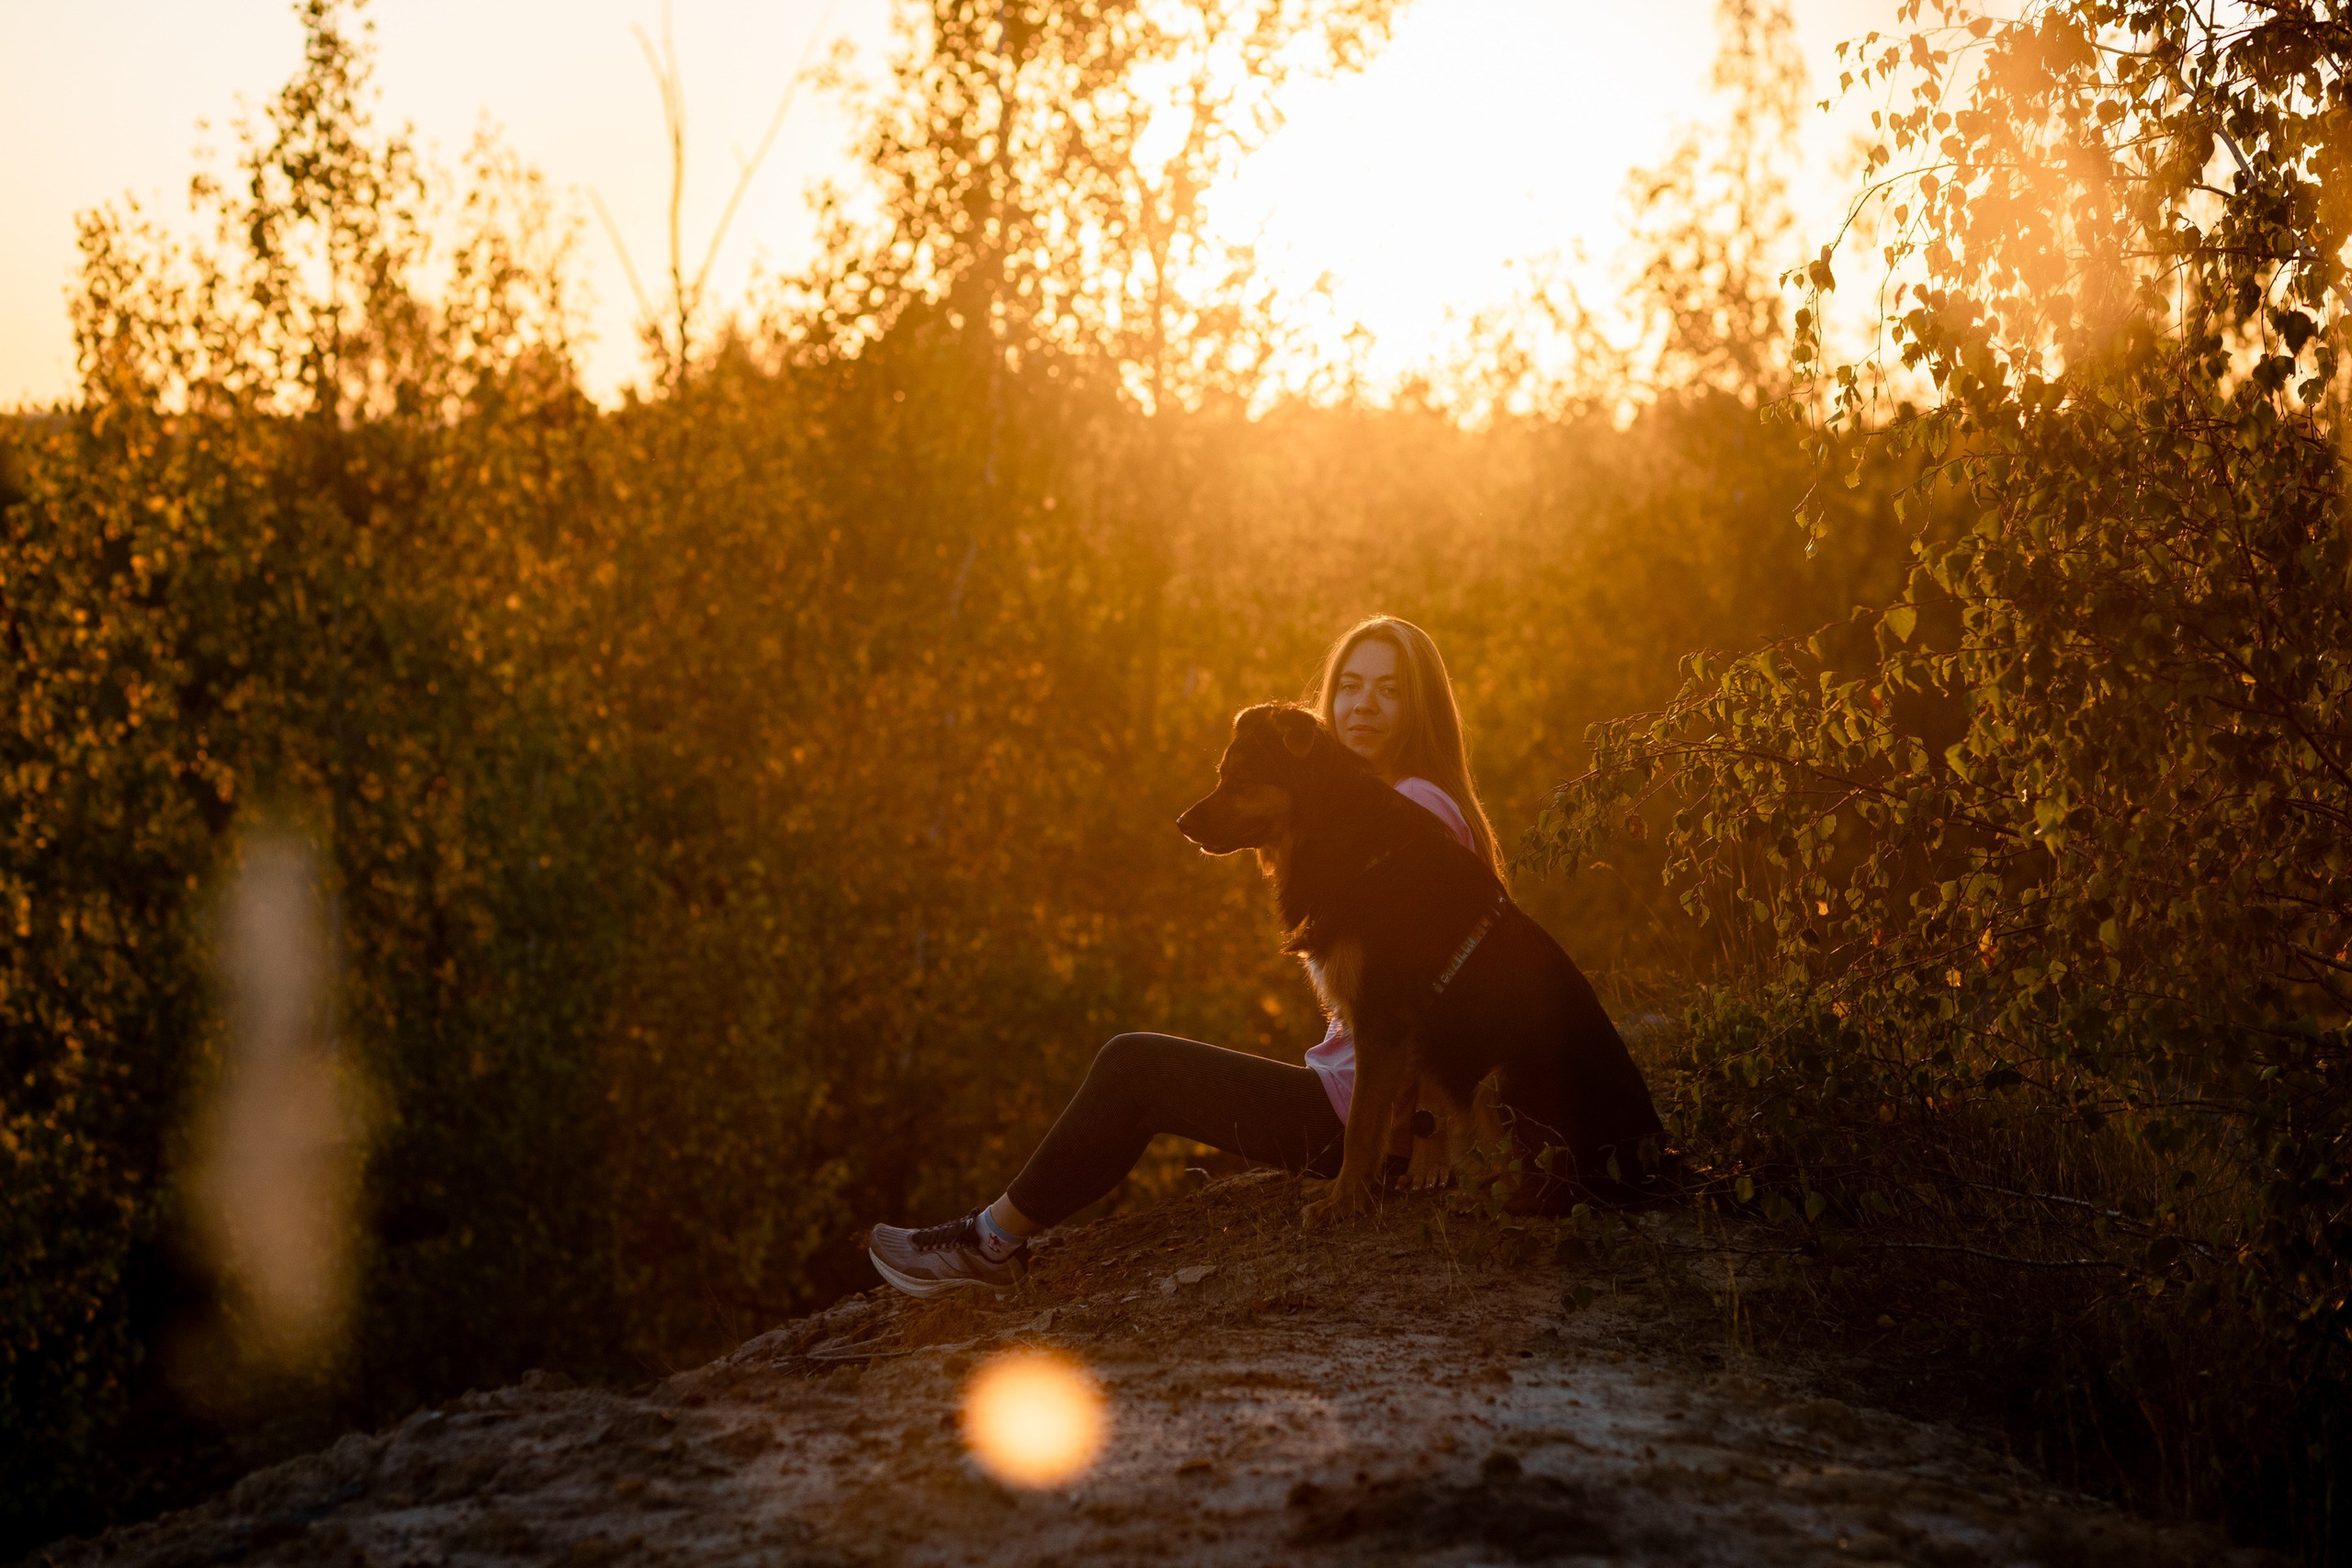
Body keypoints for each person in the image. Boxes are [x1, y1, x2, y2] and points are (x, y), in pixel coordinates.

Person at [865, 615, 1504, 1297]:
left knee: (1137, 1066)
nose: (1363, 704)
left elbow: (1434, 995)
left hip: (1361, 1120)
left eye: (1388, 690)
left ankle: (987, 1244)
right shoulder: (1364, 813)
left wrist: (1430, 1128)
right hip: (1351, 1103)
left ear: (1423, 707)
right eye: (1349, 685)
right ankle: (991, 1238)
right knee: (1141, 1067)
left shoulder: (1414, 809)